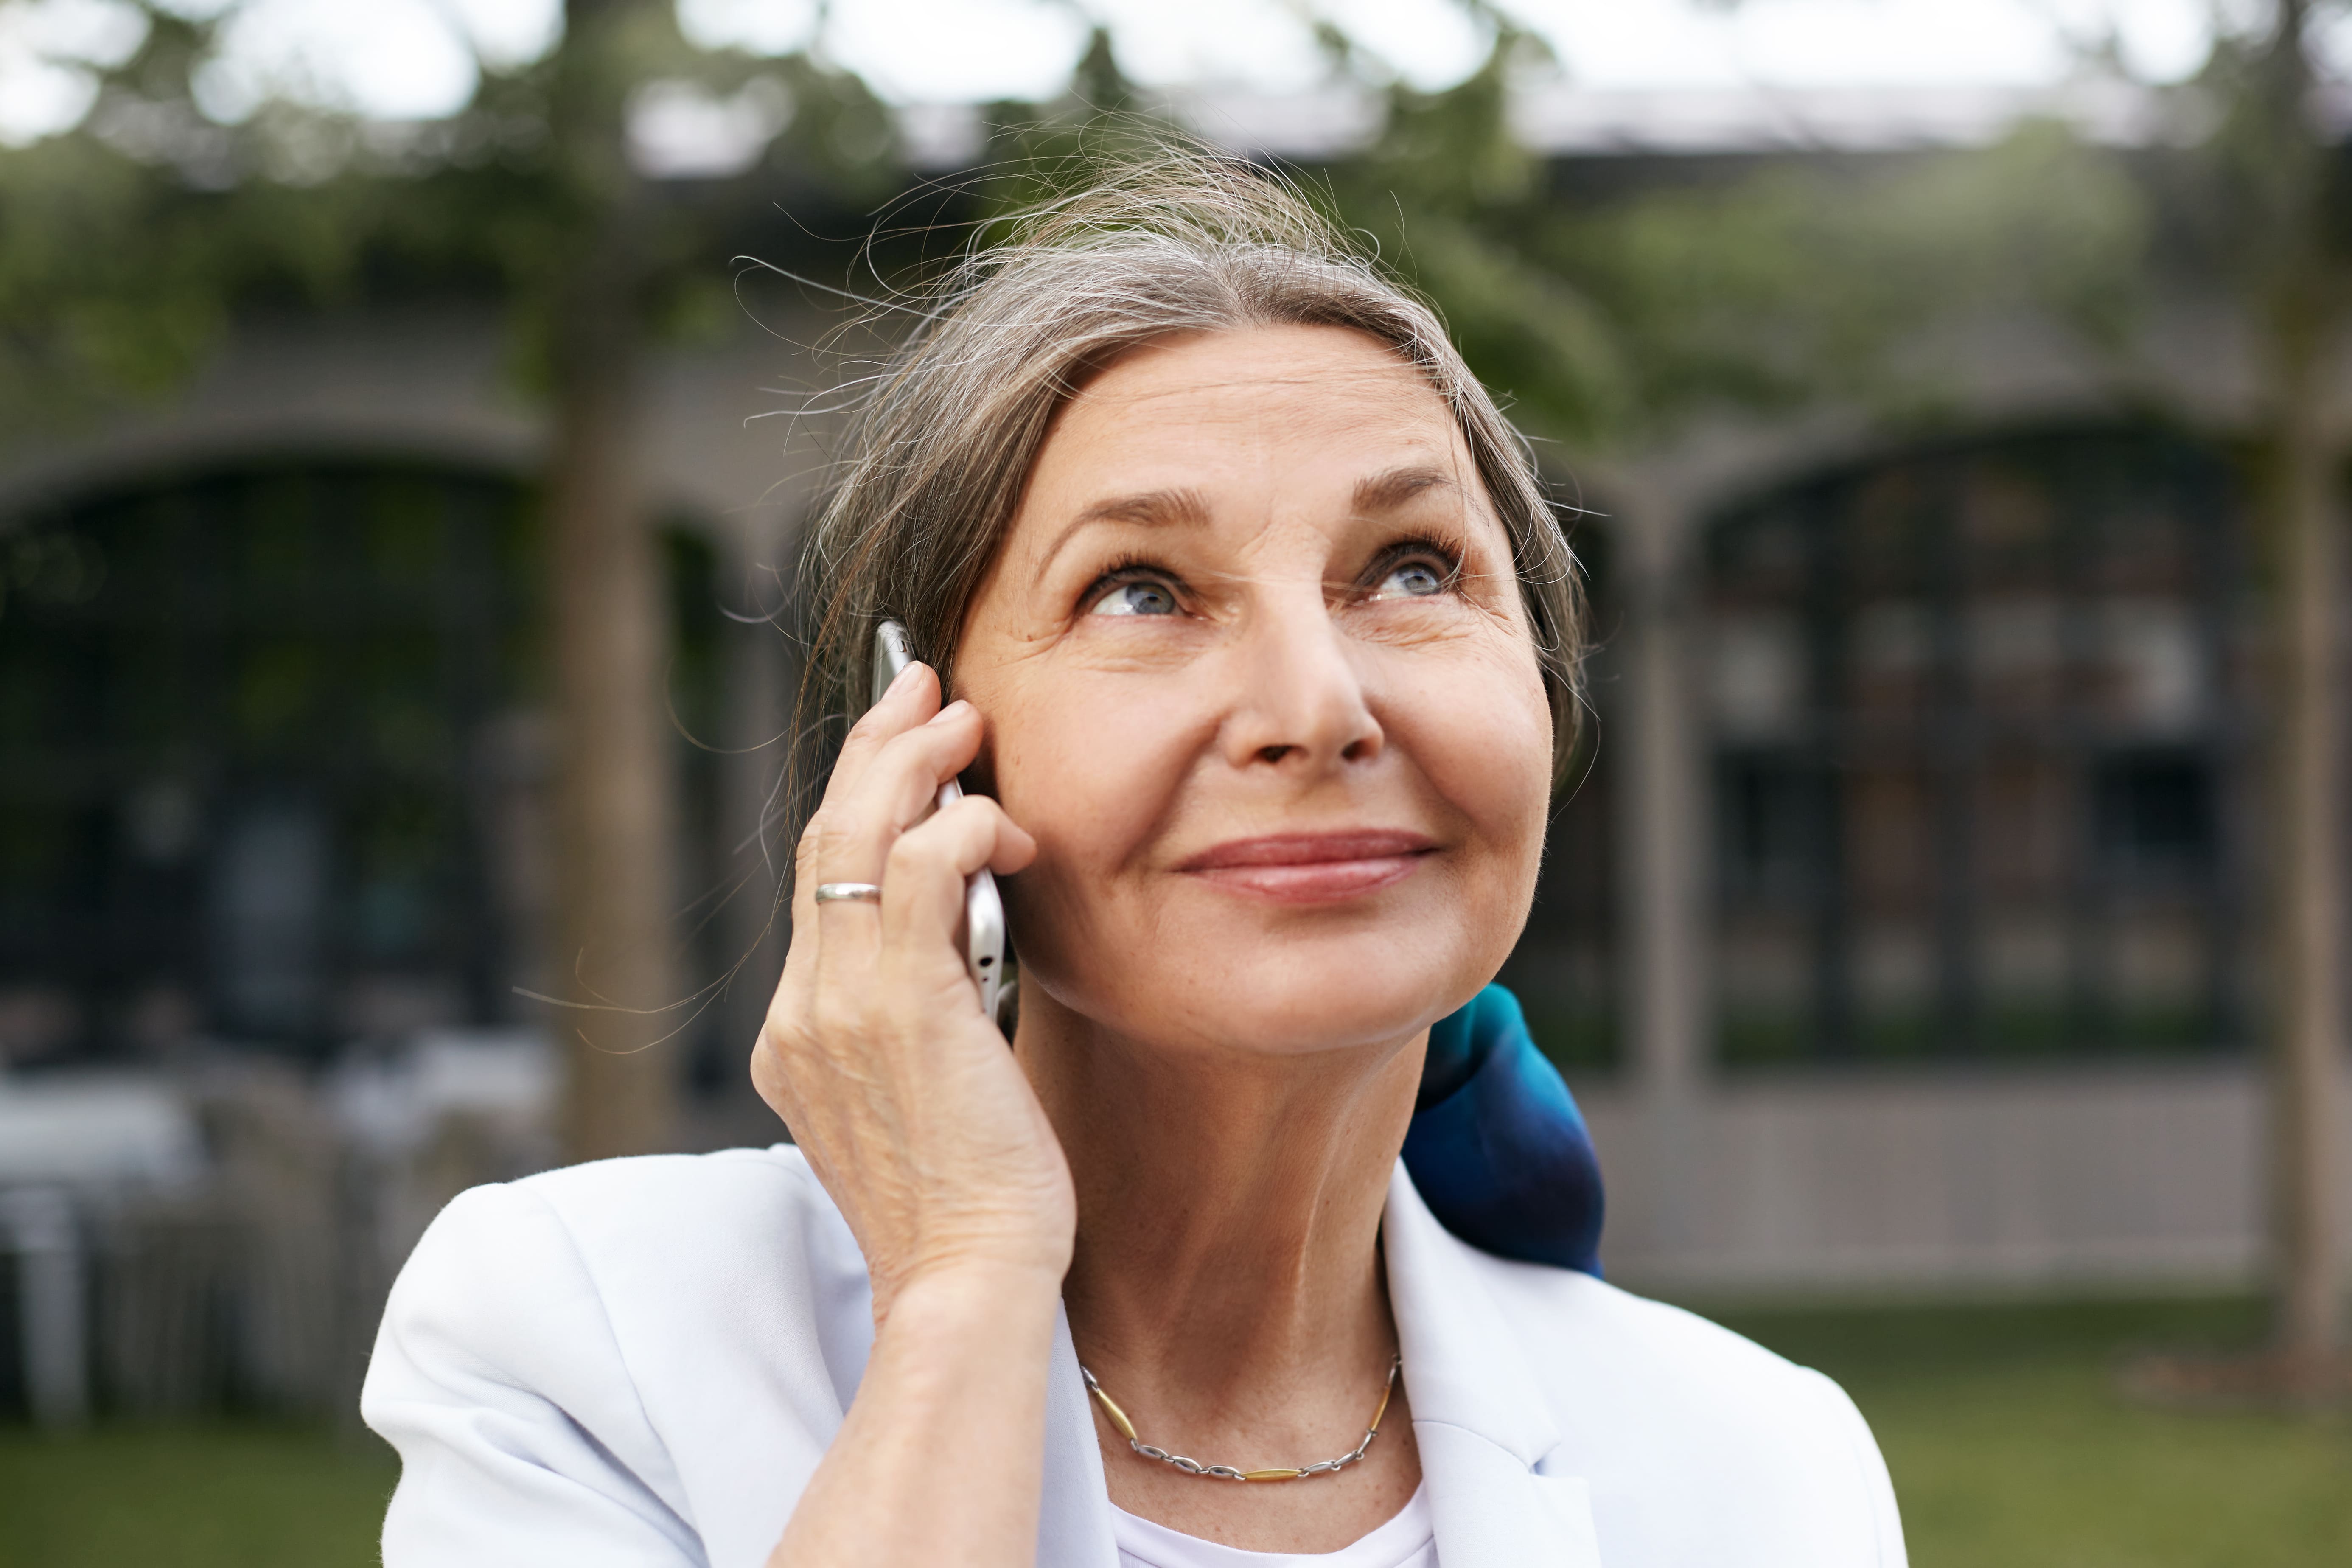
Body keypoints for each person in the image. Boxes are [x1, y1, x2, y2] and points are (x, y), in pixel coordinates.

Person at [362, 153, 1906, 1568]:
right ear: (929, 745)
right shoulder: (584, 1343)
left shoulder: (1759, 1471)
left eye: (1413, 570)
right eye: (1144, 591)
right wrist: (963, 1287)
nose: (1318, 708)